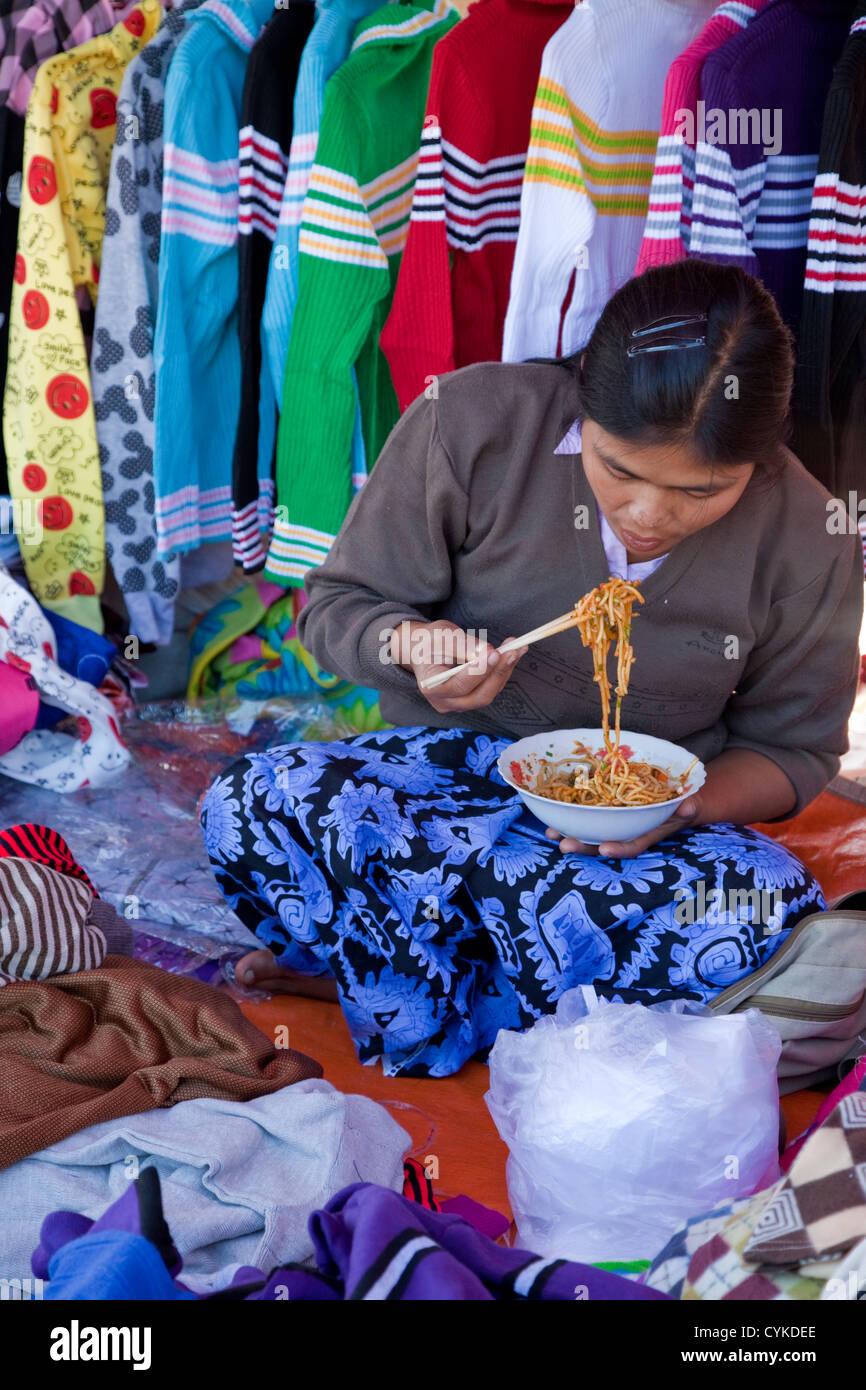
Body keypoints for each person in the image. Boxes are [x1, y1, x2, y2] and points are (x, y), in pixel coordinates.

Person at [201, 261, 862, 1077]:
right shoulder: (476, 421)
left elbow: (792, 751)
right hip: (439, 786)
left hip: (633, 841)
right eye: (620, 470)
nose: (650, 516)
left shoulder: (811, 533)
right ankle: (520, 995)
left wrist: (680, 809)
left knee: (765, 909)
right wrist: (416, 648)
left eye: (702, 490)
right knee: (252, 802)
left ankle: (399, 974)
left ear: (759, 459)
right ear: (584, 398)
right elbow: (340, 607)